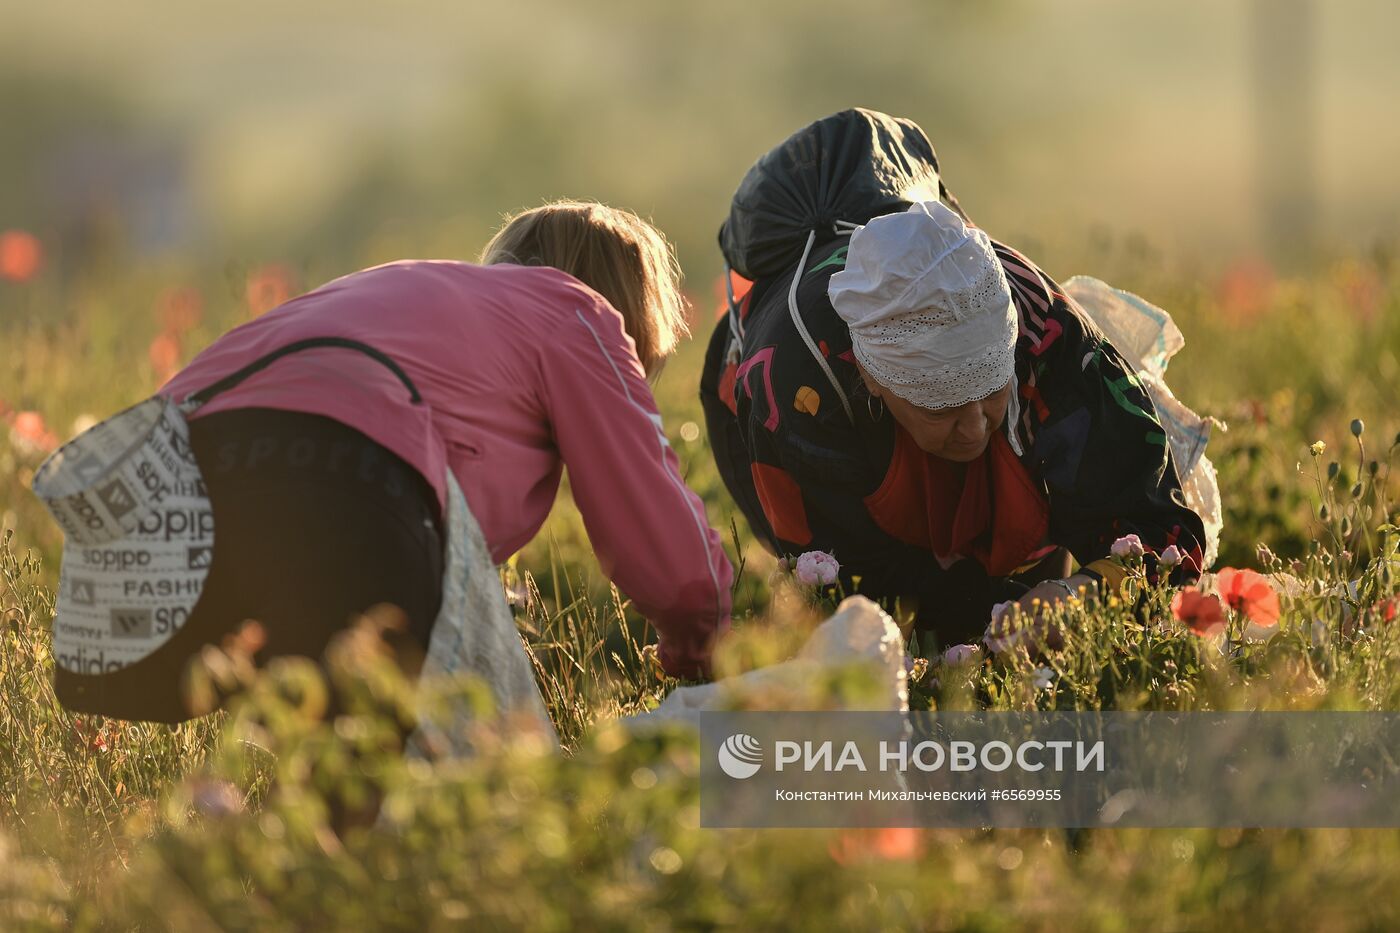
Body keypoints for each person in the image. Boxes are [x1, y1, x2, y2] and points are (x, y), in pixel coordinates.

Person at [88, 200, 732, 722]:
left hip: (151, 476)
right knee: (484, 782)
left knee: (322, 746)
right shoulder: (573, 309)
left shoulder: (403, 292)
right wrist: (704, 644)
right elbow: (661, 539)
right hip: (337, 478)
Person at [700, 110, 1205, 647]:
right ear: (873, 378)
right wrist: (986, 619)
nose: (973, 427)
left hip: (977, 400)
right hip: (792, 415)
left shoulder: (1051, 342)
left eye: (991, 394)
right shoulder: (796, 385)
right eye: (940, 406)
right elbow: (850, 587)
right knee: (884, 634)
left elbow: (1165, 536)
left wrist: (1081, 594)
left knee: (1039, 606)